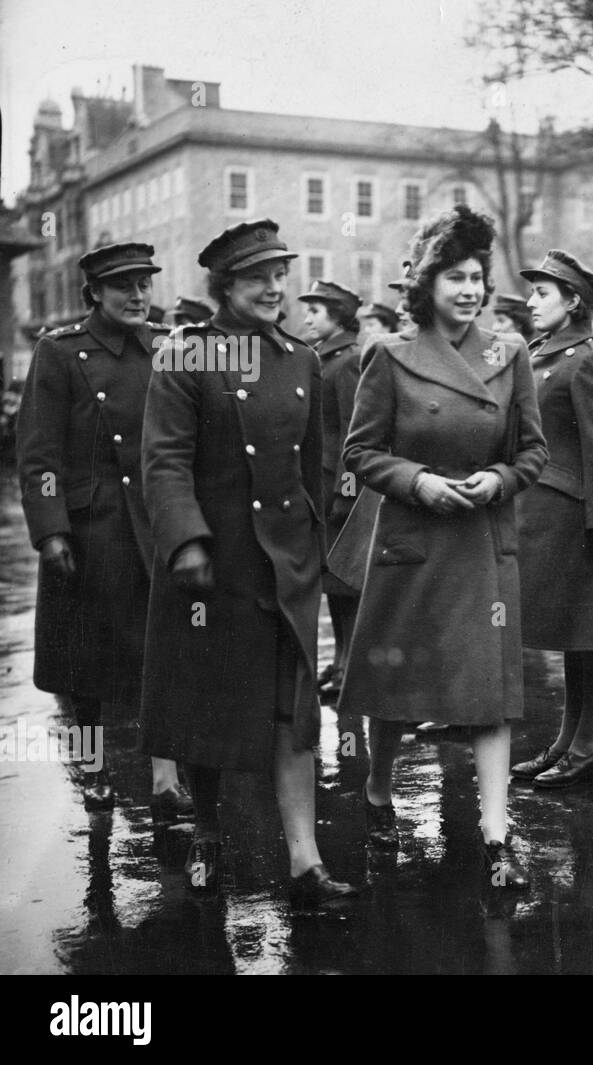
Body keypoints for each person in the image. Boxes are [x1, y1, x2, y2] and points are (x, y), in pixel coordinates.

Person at [139, 219, 358, 907]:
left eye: (278, 274)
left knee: (294, 713)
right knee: (208, 709)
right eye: (256, 276)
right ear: (224, 286)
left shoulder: (301, 358)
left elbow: (318, 463)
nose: (273, 287)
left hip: (286, 563)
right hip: (214, 563)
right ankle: (206, 834)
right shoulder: (186, 354)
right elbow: (165, 458)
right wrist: (188, 540)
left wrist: (318, 546)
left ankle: (304, 862)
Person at [339, 205, 547, 886]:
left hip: (482, 542)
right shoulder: (390, 356)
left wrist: (501, 476)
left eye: (476, 277)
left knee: (490, 694)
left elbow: (534, 451)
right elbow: (362, 451)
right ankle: (376, 786)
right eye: (454, 276)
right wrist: (418, 481)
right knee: (396, 689)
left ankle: (495, 834)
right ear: (426, 284)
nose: (467, 289)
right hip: (411, 539)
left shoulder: (509, 353)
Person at [16, 243, 190, 819]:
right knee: (84, 667)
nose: (138, 296)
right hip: (92, 530)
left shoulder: (168, 347)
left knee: (162, 652)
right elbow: (40, 456)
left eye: (144, 284)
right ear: (94, 292)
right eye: (123, 286)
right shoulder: (60, 352)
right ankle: (94, 771)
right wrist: (52, 530)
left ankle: (166, 776)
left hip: (159, 524)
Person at [509, 251, 593, 788]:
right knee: (572, 633)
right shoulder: (541, 353)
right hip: (542, 514)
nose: (532, 302)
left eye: (542, 293)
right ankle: (565, 741)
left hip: (578, 518)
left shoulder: (590, 357)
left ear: (573, 302)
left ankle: (586, 747)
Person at [297, 280, 363, 705]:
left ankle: (350, 665)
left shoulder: (350, 360)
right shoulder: (324, 357)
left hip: (337, 488)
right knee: (331, 585)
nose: (307, 319)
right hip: (320, 485)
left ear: (336, 316)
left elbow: (355, 433)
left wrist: (347, 491)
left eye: (315, 311)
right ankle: (340, 662)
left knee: (344, 584)